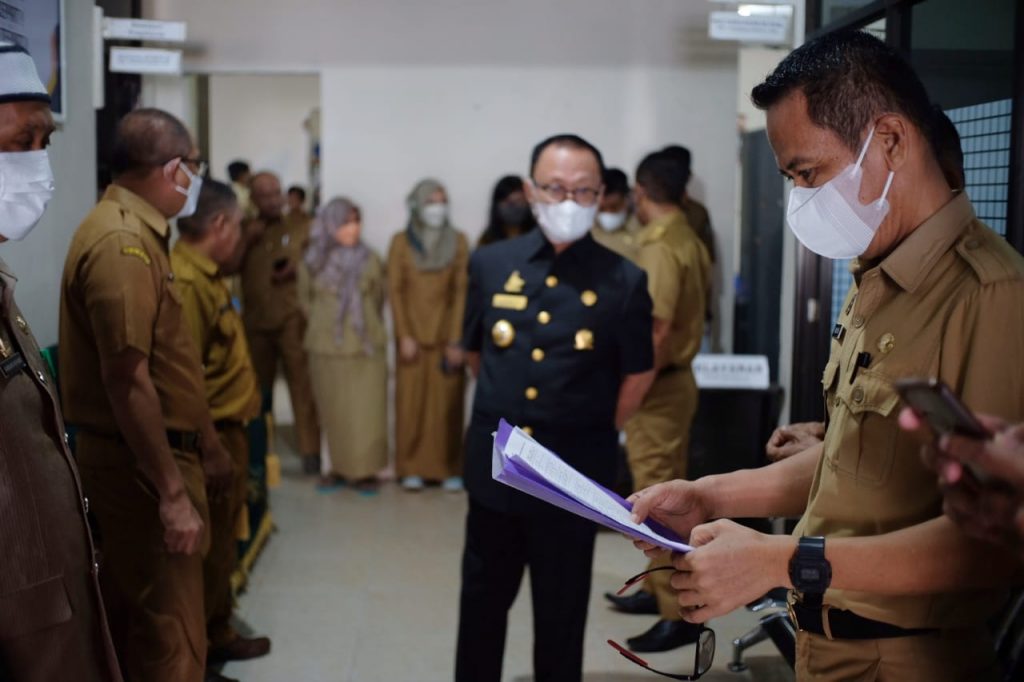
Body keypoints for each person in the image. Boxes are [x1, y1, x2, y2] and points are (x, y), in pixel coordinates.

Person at [627, 30, 1024, 681]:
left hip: (907, 655)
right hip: (830, 643)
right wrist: (708, 496)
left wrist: (783, 560)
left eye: (807, 173)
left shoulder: (991, 294)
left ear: (890, 141)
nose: (800, 199)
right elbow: (847, 464)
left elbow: (988, 550)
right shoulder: (878, 275)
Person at [455, 133, 655, 682]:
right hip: (496, 471)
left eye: (583, 190)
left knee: (561, 614)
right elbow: (476, 352)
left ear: (599, 195)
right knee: (480, 606)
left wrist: (589, 429)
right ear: (530, 190)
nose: (569, 201)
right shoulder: (490, 263)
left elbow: (639, 373)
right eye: (556, 188)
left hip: (572, 475)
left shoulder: (625, 280)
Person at [60, 108, 236, 682]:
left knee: (147, 627)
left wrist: (206, 446)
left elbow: (166, 370)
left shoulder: (139, 233)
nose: (194, 182)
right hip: (142, 468)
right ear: (173, 169)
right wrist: (171, 494)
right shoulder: (121, 244)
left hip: (155, 457)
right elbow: (126, 378)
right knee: (171, 639)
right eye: (194, 168)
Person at [0, 42, 122, 682]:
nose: (39, 165)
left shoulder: (1, 285)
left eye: (45, 141)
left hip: (45, 614)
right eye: (23, 142)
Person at [604, 151, 710, 653]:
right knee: (659, 492)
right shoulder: (687, 235)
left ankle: (679, 614)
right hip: (672, 384)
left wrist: (629, 395)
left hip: (659, 387)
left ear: (641, 194)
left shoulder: (663, 247)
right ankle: (655, 588)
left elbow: (658, 329)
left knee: (658, 505)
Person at [171, 179, 273, 675]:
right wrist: (210, 449)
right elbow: (182, 379)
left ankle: (220, 631)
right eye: (236, 225)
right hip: (208, 438)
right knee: (206, 556)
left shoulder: (210, 275)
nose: (241, 237)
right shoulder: (187, 283)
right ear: (218, 225)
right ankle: (204, 657)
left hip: (230, 431)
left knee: (222, 550)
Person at [387, 179, 469, 491]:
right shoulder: (400, 242)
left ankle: (448, 469)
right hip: (413, 340)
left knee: (446, 407)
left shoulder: (459, 241)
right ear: (418, 205)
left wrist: (456, 339)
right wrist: (404, 335)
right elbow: (395, 291)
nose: (438, 207)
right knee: (411, 407)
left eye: (443, 200)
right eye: (432, 201)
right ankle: (410, 468)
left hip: (446, 338)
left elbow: (461, 291)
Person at [300, 197, 388, 493]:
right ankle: (335, 468)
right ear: (330, 224)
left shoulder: (371, 259)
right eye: (345, 221)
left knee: (366, 414)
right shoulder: (313, 261)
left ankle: (364, 472)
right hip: (326, 348)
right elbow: (305, 301)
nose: (353, 228)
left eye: (356, 221)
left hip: (365, 348)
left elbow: (377, 297)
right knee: (332, 411)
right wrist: (328, 324)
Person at [240, 171, 320, 474]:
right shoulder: (244, 228)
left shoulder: (302, 225)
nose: (274, 200)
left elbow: (319, 261)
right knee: (257, 392)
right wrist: (247, 241)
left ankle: (311, 452)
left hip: (291, 319)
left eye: (277, 193)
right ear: (253, 199)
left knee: (302, 386)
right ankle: (258, 450)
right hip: (255, 322)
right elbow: (228, 264)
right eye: (266, 195)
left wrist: (298, 268)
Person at [590, 167, 637, 258]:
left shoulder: (642, 232)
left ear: (627, 199)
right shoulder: (584, 232)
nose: (608, 213)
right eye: (602, 209)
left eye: (614, 207)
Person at [478, 174, 536, 246]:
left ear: (528, 201)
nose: (514, 207)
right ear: (497, 205)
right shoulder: (486, 239)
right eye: (507, 202)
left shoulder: (540, 236)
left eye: (519, 201)